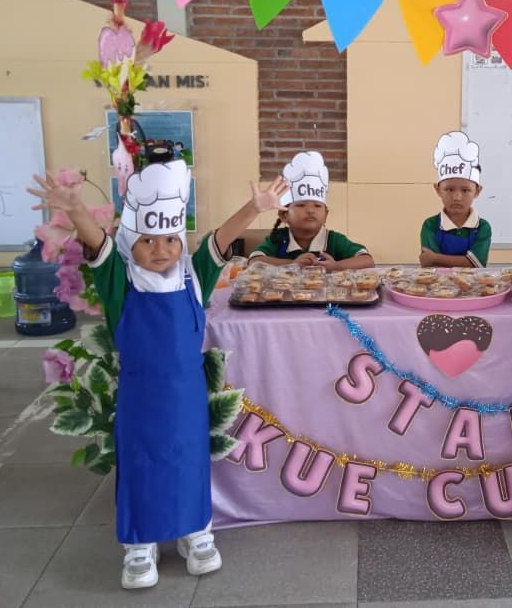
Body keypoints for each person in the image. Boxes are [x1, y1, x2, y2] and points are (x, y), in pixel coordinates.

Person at [28, 159, 287, 589]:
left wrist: (254, 207)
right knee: (140, 462)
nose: (161, 249)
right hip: (140, 396)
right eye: (148, 240)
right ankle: (140, 542)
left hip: (187, 396)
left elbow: (221, 240)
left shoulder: (195, 276)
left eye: (170, 239)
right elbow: (96, 242)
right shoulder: (119, 281)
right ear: (130, 243)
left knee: (189, 460)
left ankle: (195, 532)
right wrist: (74, 209)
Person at [248, 151, 374, 269]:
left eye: (317, 206)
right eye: (301, 205)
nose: (310, 210)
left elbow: (367, 260)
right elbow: (254, 260)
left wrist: (336, 266)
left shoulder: (334, 240)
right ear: (284, 215)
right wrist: (292, 264)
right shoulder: (278, 238)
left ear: (326, 215)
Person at [419, 131, 492, 267]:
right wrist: (465, 261)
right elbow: (430, 266)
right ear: (438, 189)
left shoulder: (482, 227)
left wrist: (436, 258)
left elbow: (477, 264)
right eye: (449, 189)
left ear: (477, 191)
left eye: (465, 190)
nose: (457, 197)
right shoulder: (430, 225)